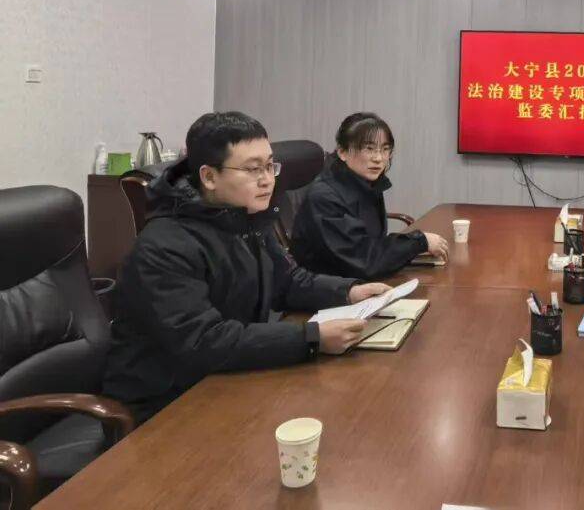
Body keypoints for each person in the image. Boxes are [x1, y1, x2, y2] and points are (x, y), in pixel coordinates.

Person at [104, 112, 390, 423]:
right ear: (209, 177)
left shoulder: (245, 219)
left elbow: (288, 282)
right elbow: (204, 341)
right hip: (166, 405)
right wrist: (311, 338)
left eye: (270, 166)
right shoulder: (164, 246)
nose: (267, 179)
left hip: (227, 378)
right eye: (253, 169)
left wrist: (349, 291)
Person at [290, 112, 449, 280]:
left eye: (385, 149)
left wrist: (410, 248)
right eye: (369, 149)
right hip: (327, 290)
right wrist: (417, 242)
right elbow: (363, 261)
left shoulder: (365, 183)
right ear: (342, 152)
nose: (378, 158)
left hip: (356, 281)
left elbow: (370, 246)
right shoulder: (324, 198)